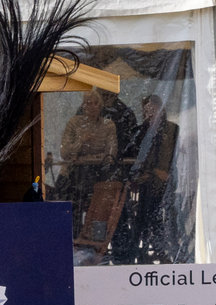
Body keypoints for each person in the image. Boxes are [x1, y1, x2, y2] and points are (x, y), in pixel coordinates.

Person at [123, 94, 179, 262]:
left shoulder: (171, 129)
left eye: (153, 108)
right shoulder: (139, 132)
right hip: (145, 183)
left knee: (157, 214)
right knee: (143, 214)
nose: (150, 112)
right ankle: (144, 250)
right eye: (146, 109)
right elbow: (134, 158)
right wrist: (144, 173)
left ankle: (162, 249)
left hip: (165, 182)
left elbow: (170, 157)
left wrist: (156, 172)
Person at [58, 89, 118, 238]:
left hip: (97, 175)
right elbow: (64, 152)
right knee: (68, 200)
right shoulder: (74, 123)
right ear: (83, 106)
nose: (92, 107)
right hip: (73, 175)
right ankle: (71, 237)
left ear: (101, 106)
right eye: (88, 103)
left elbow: (111, 152)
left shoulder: (108, 125)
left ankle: (96, 241)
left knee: (102, 205)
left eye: (95, 103)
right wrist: (81, 141)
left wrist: (92, 158)